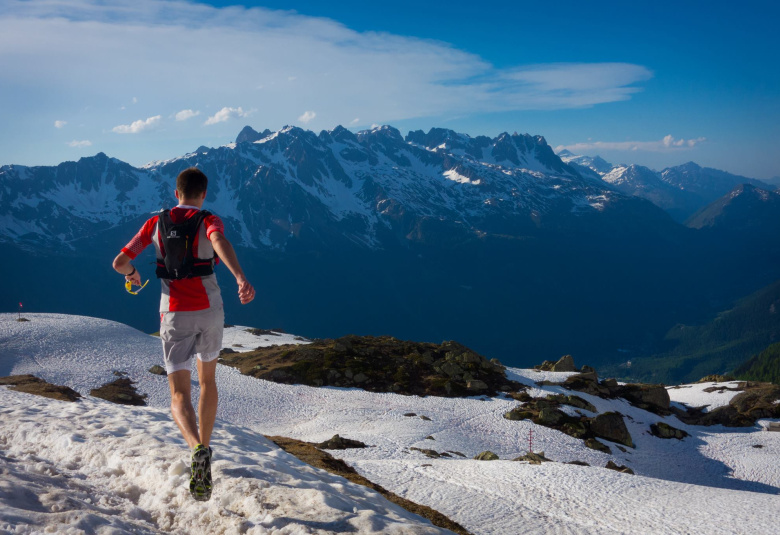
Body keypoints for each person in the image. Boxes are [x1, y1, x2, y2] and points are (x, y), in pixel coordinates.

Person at [112, 167, 255, 501]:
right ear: (203, 194)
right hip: (210, 310)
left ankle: (195, 450)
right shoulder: (209, 220)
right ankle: (206, 448)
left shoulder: (154, 223)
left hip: (174, 313)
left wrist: (133, 274)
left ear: (177, 193)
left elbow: (120, 261)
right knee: (208, 383)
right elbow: (219, 241)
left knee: (179, 394)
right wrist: (239, 277)